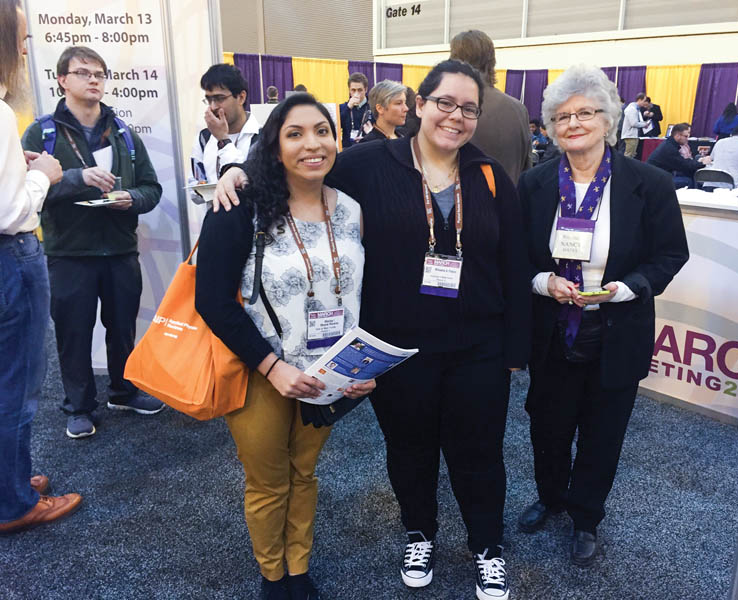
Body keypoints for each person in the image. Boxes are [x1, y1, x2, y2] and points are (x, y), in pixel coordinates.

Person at [214, 60, 531, 600]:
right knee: (409, 448)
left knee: (478, 451)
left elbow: (515, 264)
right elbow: (296, 164)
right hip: (397, 346)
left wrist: (514, 349)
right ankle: (419, 532)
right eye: (445, 103)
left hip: (479, 344)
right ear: (420, 105)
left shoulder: (488, 175)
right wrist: (238, 171)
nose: (456, 117)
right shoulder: (366, 164)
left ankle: (486, 545)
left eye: (469, 108)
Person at [196, 93, 375, 600]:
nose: (312, 144)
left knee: (305, 472)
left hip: (328, 373)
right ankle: (272, 576)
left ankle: (299, 567)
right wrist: (272, 367)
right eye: (295, 134)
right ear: (274, 147)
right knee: (269, 481)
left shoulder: (352, 210)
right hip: (261, 371)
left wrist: (362, 365)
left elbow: (360, 293)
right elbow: (212, 301)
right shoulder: (241, 207)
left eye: (322, 130)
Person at [516, 64, 689, 568]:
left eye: (586, 112)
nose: (574, 123)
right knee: (546, 425)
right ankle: (550, 498)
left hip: (617, 330)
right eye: (561, 116)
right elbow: (518, 257)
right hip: (552, 330)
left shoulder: (650, 183)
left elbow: (670, 256)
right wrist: (541, 281)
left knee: (602, 430)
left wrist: (627, 289)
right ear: (549, 127)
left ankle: (586, 515)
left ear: (608, 119)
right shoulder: (534, 184)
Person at [21, 46, 163, 439]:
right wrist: (74, 179)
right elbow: (24, 192)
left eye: (99, 73)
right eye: (83, 72)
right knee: (73, 333)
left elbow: (151, 188)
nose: (94, 79)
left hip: (120, 250)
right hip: (69, 253)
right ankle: (79, 407)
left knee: (122, 329)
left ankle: (123, 390)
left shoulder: (123, 134)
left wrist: (130, 198)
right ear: (63, 80)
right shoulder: (42, 133)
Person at [0, 0, 82, 534]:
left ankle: (10, 477)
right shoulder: (6, 114)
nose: (26, 50)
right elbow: (10, 211)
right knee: (17, 386)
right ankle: (12, 503)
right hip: (11, 257)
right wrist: (45, 175)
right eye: (22, 39)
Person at [450, 29, 531, 182]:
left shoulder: (447, 108)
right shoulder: (519, 109)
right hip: (509, 201)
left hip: (461, 203)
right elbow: (526, 168)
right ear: (491, 61)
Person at [190, 63, 260, 183]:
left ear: (241, 97)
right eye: (209, 99)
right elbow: (194, 188)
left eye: (219, 98)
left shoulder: (262, 138)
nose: (213, 106)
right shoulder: (204, 138)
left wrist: (223, 140)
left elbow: (246, 183)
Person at [646, 123, 711, 188]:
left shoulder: (669, 144)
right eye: (685, 136)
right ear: (677, 136)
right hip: (656, 180)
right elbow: (684, 165)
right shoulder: (669, 149)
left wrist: (698, 162)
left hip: (657, 176)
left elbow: (682, 162)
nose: (687, 138)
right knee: (688, 181)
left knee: (689, 176)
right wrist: (702, 163)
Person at [339, 72, 369, 148]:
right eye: (353, 90)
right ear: (349, 90)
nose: (356, 93)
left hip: (367, 147)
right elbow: (337, 127)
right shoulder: (343, 107)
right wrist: (348, 108)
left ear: (365, 89)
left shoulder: (373, 107)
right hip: (347, 148)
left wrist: (367, 138)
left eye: (360, 90)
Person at [620, 93, 650, 157]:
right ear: (639, 100)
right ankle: (625, 167)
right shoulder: (632, 109)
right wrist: (644, 124)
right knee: (629, 155)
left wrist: (644, 123)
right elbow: (633, 123)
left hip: (633, 135)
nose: (645, 103)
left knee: (632, 155)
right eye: (644, 101)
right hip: (630, 136)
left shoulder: (636, 109)